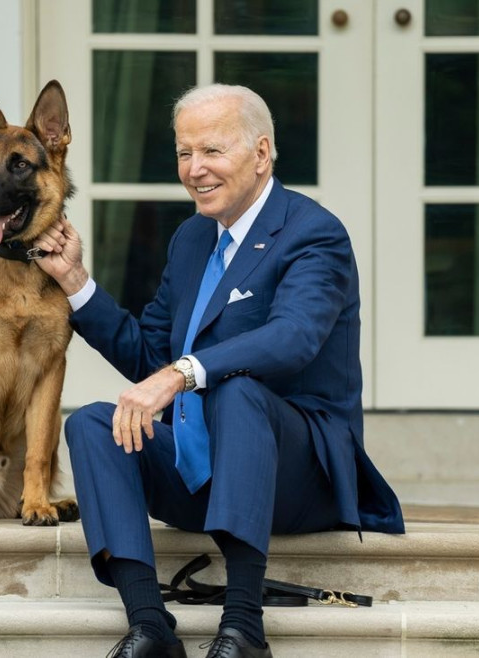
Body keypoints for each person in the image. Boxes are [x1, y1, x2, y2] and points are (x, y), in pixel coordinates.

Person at [32, 84, 404, 658]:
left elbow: (293, 339)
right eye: (184, 153)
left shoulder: (313, 233)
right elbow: (150, 355)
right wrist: (75, 283)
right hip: (203, 468)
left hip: (297, 475)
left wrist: (181, 374)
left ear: (261, 154)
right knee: (91, 425)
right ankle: (150, 625)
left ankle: (244, 627)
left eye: (212, 151)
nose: (195, 169)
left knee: (238, 393)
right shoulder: (190, 240)